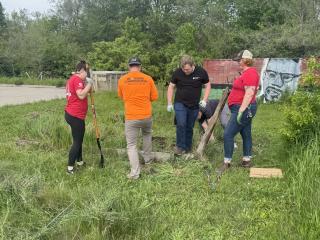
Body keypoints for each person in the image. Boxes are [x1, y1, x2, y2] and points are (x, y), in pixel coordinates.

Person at [118, 57, 158, 180]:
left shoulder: (123, 80)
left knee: (131, 145)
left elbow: (122, 97)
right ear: (140, 66)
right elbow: (154, 97)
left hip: (131, 117)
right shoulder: (148, 79)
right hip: (146, 115)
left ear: (129, 66)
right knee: (147, 135)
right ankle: (147, 160)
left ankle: (135, 173)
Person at [167, 55, 211, 155]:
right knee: (181, 124)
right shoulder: (178, 72)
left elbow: (208, 85)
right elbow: (171, 87)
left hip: (194, 105)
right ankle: (180, 147)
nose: (185, 71)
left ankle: (187, 148)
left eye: (187, 69)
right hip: (180, 103)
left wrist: (204, 99)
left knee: (189, 127)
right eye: (183, 69)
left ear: (193, 65)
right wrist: (169, 102)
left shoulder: (201, 72)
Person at [223, 50, 259, 169]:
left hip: (242, 108)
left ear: (245, 60)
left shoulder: (250, 73)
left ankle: (226, 163)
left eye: (239, 60)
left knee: (228, 134)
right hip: (242, 107)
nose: (238, 62)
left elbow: (249, 93)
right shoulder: (246, 73)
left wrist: (241, 111)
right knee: (245, 133)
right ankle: (246, 160)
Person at [65, 60, 94, 174]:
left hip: (72, 114)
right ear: (82, 70)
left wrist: (88, 85)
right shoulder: (77, 79)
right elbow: (81, 95)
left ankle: (80, 161)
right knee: (77, 142)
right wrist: (90, 84)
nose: (88, 73)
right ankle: (70, 168)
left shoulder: (74, 79)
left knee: (79, 139)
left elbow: (88, 92)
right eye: (87, 70)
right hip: (75, 115)